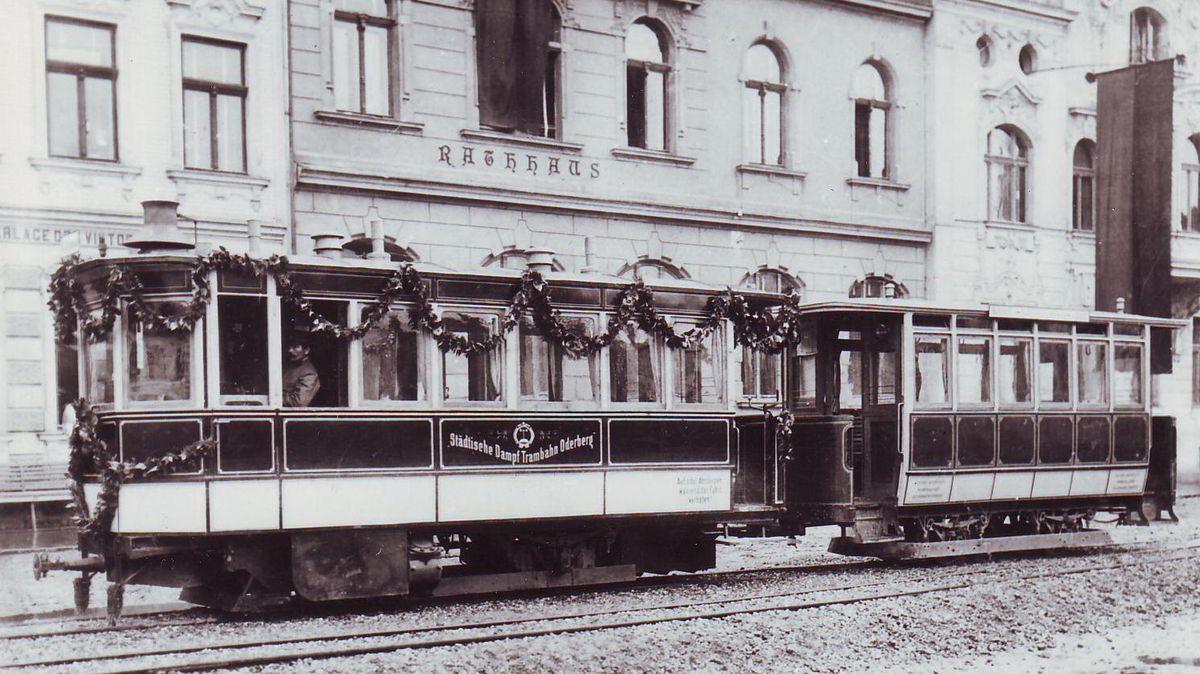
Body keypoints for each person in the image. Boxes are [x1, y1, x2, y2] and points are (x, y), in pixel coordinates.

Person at [284, 333, 321, 407]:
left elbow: (298, 402)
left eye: (295, 347)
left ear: (306, 350)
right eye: (289, 346)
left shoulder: (309, 373)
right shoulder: (289, 366)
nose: (290, 350)